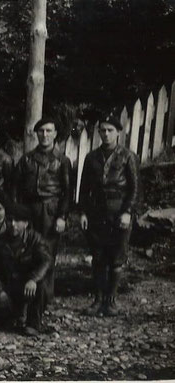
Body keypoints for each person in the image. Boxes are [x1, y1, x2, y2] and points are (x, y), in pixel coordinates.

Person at [79, 117, 139, 317]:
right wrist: (83, 212)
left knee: (116, 258)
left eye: (110, 130)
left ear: (118, 132)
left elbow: (135, 189)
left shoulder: (128, 156)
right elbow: (84, 189)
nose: (105, 134)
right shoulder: (91, 157)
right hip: (97, 213)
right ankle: (97, 299)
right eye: (102, 130)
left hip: (119, 211)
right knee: (98, 257)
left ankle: (111, 300)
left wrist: (127, 212)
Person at [13, 118, 71, 302]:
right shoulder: (27, 158)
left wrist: (62, 216)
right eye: (41, 131)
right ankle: (26, 296)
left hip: (50, 210)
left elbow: (68, 192)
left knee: (47, 252)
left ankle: (45, 297)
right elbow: (16, 187)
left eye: (48, 131)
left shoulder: (62, 160)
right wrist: (18, 213)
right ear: (36, 134)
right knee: (27, 250)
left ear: (55, 134)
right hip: (29, 209)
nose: (44, 135)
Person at [0, 203, 52, 336]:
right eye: (10, 220)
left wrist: (33, 279)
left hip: (27, 286)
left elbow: (46, 261)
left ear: (26, 223)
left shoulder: (35, 239)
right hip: (8, 287)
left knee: (42, 287)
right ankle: (12, 316)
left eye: (18, 221)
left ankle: (33, 323)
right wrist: (0, 291)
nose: (13, 224)